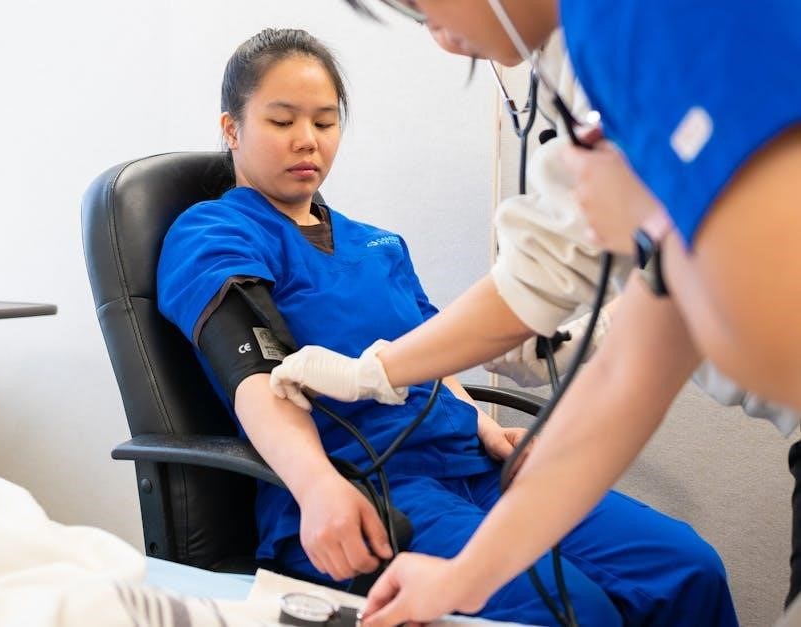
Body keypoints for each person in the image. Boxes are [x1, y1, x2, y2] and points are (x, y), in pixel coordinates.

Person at [157, 27, 737, 626]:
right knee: (573, 608)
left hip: (473, 466)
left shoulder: (378, 243)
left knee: (686, 568)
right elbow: (257, 377)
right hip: (369, 489)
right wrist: (316, 488)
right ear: (232, 129)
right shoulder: (214, 233)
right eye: (282, 121)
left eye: (325, 122)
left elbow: (434, 354)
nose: (308, 139)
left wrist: (486, 427)